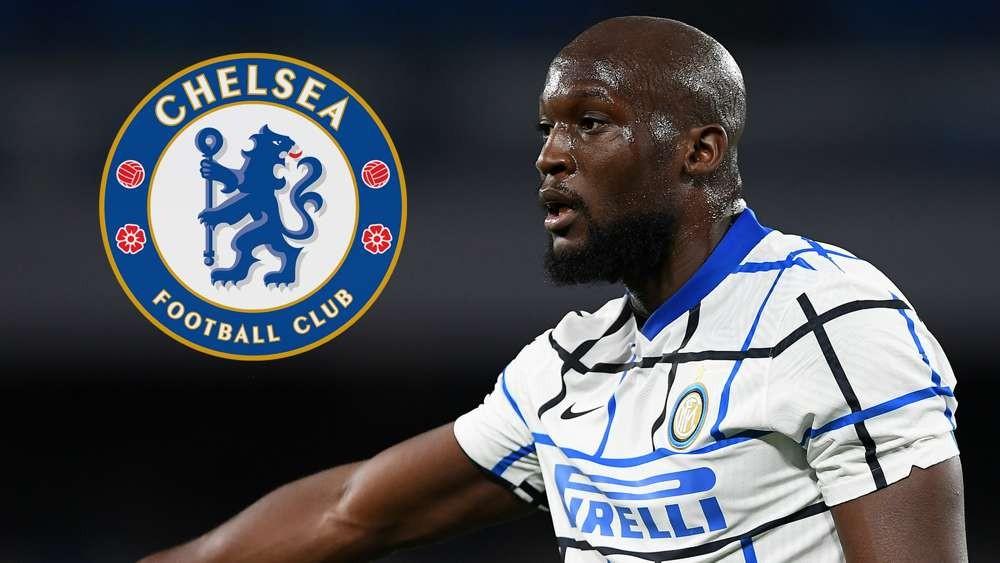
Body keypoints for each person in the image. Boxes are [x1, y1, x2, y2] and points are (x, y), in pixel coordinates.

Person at [142, 16, 966, 563]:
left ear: (700, 150)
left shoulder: (828, 319)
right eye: (548, 128)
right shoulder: (575, 365)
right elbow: (352, 510)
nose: (550, 155)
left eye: (590, 122)